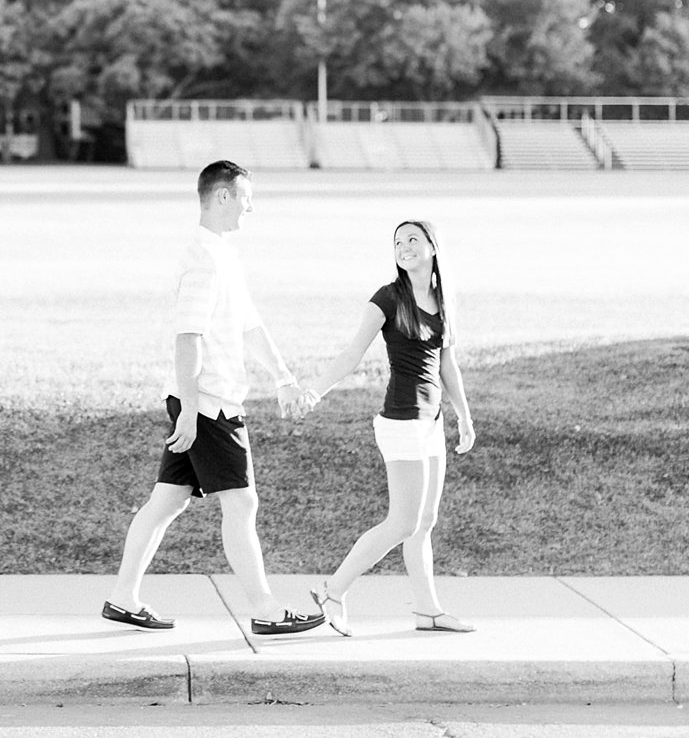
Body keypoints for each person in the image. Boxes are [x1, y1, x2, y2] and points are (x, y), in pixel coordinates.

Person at [101, 160, 325, 636]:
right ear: (222, 196)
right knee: (242, 504)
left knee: (166, 502)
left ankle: (122, 598)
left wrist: (283, 377)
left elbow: (249, 324)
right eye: (247, 198)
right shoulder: (201, 259)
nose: (251, 207)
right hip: (208, 404)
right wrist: (187, 411)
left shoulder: (222, 254)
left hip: (204, 401)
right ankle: (265, 608)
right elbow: (187, 338)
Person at [303, 219, 477, 635]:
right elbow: (352, 353)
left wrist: (464, 416)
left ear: (433, 246)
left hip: (431, 422)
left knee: (425, 520)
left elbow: (446, 363)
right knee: (402, 522)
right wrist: (315, 391)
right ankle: (333, 591)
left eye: (413, 239)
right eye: (398, 242)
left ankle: (428, 610)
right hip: (401, 420)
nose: (404, 247)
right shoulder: (388, 298)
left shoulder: (442, 298)